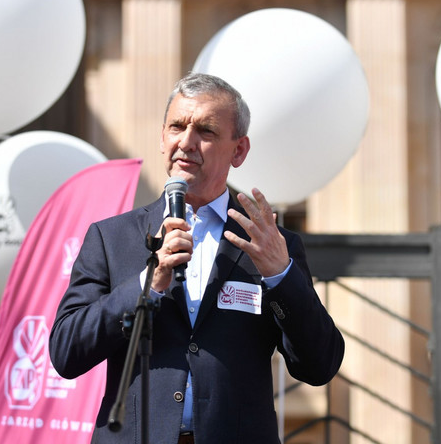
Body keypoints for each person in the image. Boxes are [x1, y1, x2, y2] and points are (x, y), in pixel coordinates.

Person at [49, 72, 345, 444]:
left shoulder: (269, 244)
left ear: (239, 151)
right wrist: (146, 286)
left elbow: (320, 366)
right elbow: (66, 352)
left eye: (205, 131)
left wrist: (281, 277)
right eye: (177, 127)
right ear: (162, 138)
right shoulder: (111, 238)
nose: (186, 142)